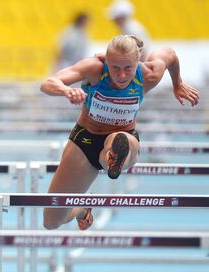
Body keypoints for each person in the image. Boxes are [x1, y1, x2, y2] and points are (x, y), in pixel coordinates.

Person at [40, 35, 199, 230]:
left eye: (128, 68)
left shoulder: (149, 74)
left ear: (137, 63)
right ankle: (82, 208)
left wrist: (178, 83)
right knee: (52, 221)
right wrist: (65, 90)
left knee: (117, 141)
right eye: (115, 68)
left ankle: (112, 157)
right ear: (106, 60)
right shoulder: (94, 69)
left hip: (125, 138)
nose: (122, 76)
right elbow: (47, 83)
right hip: (85, 140)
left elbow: (170, 54)